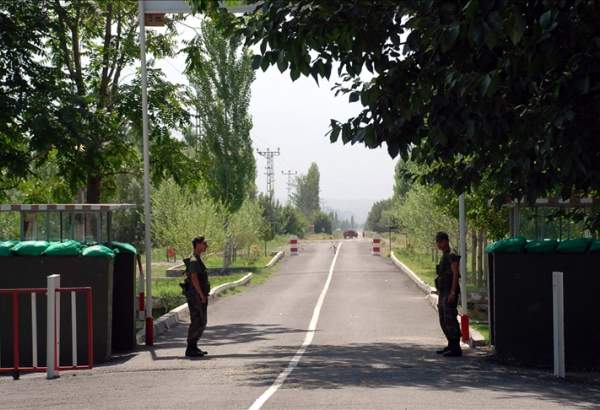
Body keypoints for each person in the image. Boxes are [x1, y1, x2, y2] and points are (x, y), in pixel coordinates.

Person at [434, 231, 462, 357]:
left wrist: (452, 292)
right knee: (443, 319)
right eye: (437, 242)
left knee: (450, 318)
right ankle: (450, 344)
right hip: (443, 291)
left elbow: (455, 274)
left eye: (440, 241)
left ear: (445, 241)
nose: (438, 244)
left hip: (450, 291)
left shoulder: (452, 255)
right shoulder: (444, 255)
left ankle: (456, 348)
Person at [183, 236, 211, 358]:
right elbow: (194, 279)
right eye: (204, 243)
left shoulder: (197, 259)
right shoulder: (194, 260)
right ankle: (190, 348)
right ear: (198, 245)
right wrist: (201, 295)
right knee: (198, 320)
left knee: (201, 321)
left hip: (198, 295)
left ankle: (193, 346)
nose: (206, 246)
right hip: (195, 296)